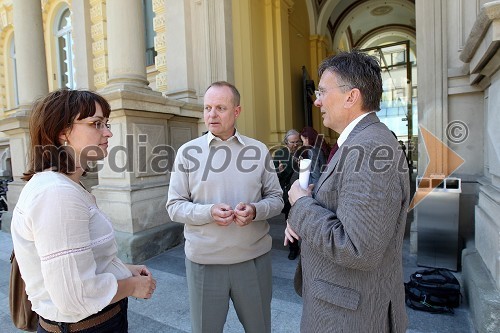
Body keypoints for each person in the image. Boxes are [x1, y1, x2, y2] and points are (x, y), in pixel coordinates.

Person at [11, 89, 157, 333]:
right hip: (86, 326)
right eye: (96, 124)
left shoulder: (64, 185)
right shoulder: (56, 194)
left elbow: (80, 262)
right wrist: (131, 286)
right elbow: (75, 296)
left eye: (106, 124)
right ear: (63, 132)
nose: (108, 132)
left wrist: (122, 270)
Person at [285, 50, 410, 332]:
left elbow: (357, 248)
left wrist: (301, 206)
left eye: (322, 92)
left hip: (350, 316)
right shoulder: (361, 141)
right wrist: (310, 205)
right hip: (344, 308)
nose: (316, 101)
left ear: (351, 97)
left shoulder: (368, 148)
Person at [166, 81, 283, 333]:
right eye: (207, 108)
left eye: (220, 107)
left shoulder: (258, 150)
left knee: (260, 328)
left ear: (237, 111)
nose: (211, 114)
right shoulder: (187, 153)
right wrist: (208, 213)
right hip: (204, 263)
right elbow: (174, 207)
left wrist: (254, 211)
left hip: (253, 260)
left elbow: (277, 199)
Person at [272, 129, 302, 260]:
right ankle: (293, 248)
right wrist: (279, 171)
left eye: (297, 142)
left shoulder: (305, 152)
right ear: (286, 142)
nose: (295, 144)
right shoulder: (280, 154)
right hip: (288, 194)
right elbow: (273, 177)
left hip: (304, 193)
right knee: (290, 220)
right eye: (292, 142)